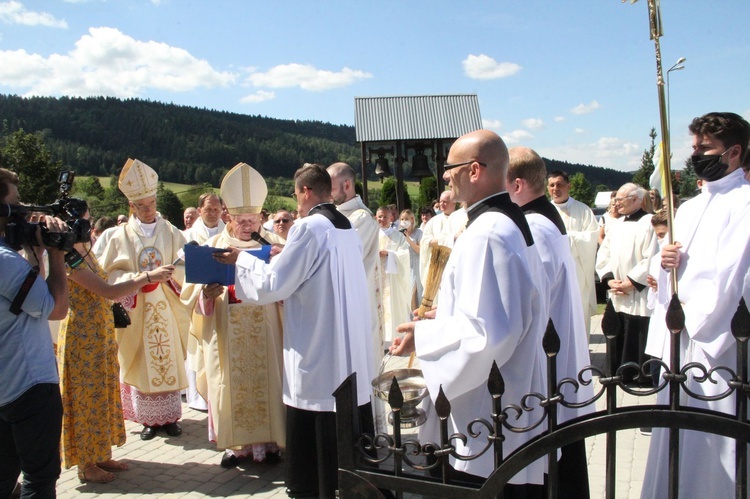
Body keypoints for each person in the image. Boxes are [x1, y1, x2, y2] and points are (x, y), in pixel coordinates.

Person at [391, 130, 549, 494]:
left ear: (474, 170)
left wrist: (424, 336)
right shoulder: (506, 222)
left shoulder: (488, 233)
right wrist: (442, 319)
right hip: (506, 398)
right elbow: (498, 311)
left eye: (450, 168)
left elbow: (490, 335)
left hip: (483, 417)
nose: (445, 175)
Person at [214, 163, 374, 499]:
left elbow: (275, 285)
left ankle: (312, 488)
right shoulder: (344, 225)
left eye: (295, 194)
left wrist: (240, 261)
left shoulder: (307, 227)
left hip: (317, 346)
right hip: (345, 346)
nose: (296, 203)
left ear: (304, 191)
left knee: (315, 416)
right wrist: (285, 255)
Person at [642, 112, 750, 498]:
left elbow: (734, 277)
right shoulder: (686, 208)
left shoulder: (745, 204)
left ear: (734, 152)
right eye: (695, 148)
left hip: (713, 342)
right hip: (680, 341)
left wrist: (693, 316)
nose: (696, 155)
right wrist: (664, 261)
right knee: (674, 438)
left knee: (713, 445)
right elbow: (665, 270)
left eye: (705, 148)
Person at [57, 211, 175, 483]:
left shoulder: (84, 250)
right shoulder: (66, 257)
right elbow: (108, 291)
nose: (85, 225)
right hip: (81, 336)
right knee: (86, 396)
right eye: (80, 220)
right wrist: (148, 277)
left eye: (86, 219)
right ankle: (86, 464)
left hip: (99, 332)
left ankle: (100, 452)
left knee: (102, 393)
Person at [182, 163, 285, 468]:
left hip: (265, 330)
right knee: (228, 384)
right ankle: (235, 447)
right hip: (226, 330)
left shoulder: (273, 246)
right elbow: (193, 294)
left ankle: (269, 446)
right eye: (241, 220)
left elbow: (287, 288)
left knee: (268, 381)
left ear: (261, 216)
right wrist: (206, 296)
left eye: (252, 220)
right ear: (228, 215)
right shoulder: (213, 246)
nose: (247, 227)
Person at [507, 147, 593, 498]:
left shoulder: (535, 227)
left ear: (517, 184)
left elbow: (530, 299)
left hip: (546, 357)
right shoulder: (543, 219)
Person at [97, 158, 191, 441]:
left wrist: (173, 275)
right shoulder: (117, 236)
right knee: (140, 360)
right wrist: (140, 279)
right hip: (137, 309)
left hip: (167, 306)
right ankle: (148, 420)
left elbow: (186, 266)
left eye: (152, 203)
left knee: (168, 356)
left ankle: (171, 417)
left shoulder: (172, 232)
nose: (149, 210)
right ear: (132, 207)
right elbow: (107, 275)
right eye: (143, 206)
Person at [0, 167, 68, 499]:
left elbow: (27, 295)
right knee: (39, 480)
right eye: (15, 205)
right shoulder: (4, 261)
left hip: (3, 385)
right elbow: (55, 308)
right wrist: (56, 254)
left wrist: (36, 252)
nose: (22, 213)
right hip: (28, 384)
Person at [596, 183, 658, 385]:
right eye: (616, 199)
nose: (616, 203)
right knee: (616, 330)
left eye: (621, 199)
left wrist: (631, 282)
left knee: (637, 332)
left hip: (637, 292)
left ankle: (641, 375)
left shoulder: (650, 222)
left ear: (636, 200)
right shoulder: (616, 224)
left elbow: (651, 256)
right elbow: (603, 254)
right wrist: (609, 279)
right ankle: (616, 371)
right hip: (616, 290)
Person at [182, 193, 225, 412]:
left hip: (225, 301)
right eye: (208, 209)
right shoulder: (187, 236)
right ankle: (200, 398)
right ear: (200, 210)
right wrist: (202, 292)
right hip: (200, 304)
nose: (213, 213)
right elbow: (181, 274)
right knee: (199, 349)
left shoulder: (229, 233)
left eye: (217, 210)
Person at [548, 170, 599, 337]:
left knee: (577, 317)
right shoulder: (544, 211)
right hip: (551, 274)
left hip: (577, 274)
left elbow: (591, 238)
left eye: (560, 185)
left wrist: (565, 240)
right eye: (552, 185)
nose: (556, 188)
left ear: (568, 186)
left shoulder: (583, 210)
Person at [376, 205, 411, 345]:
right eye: (380, 216)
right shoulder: (372, 235)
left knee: (392, 306)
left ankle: (393, 340)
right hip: (376, 278)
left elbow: (405, 254)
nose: (382, 219)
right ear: (375, 217)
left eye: (385, 216)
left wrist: (390, 254)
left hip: (393, 280)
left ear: (391, 218)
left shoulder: (397, 235)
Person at [418, 190, 456, 294]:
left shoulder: (460, 218)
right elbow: (425, 241)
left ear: (454, 202)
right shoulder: (433, 221)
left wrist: (438, 240)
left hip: (454, 264)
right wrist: (449, 240)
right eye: (440, 201)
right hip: (436, 266)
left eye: (445, 202)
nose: (441, 204)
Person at [398, 209, 423, 309]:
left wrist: (408, 239)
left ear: (412, 220)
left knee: (414, 293)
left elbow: (420, 250)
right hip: (404, 267)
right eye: (402, 219)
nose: (404, 221)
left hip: (416, 267)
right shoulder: (399, 234)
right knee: (406, 295)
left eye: (406, 219)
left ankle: (416, 317)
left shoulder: (418, 233)